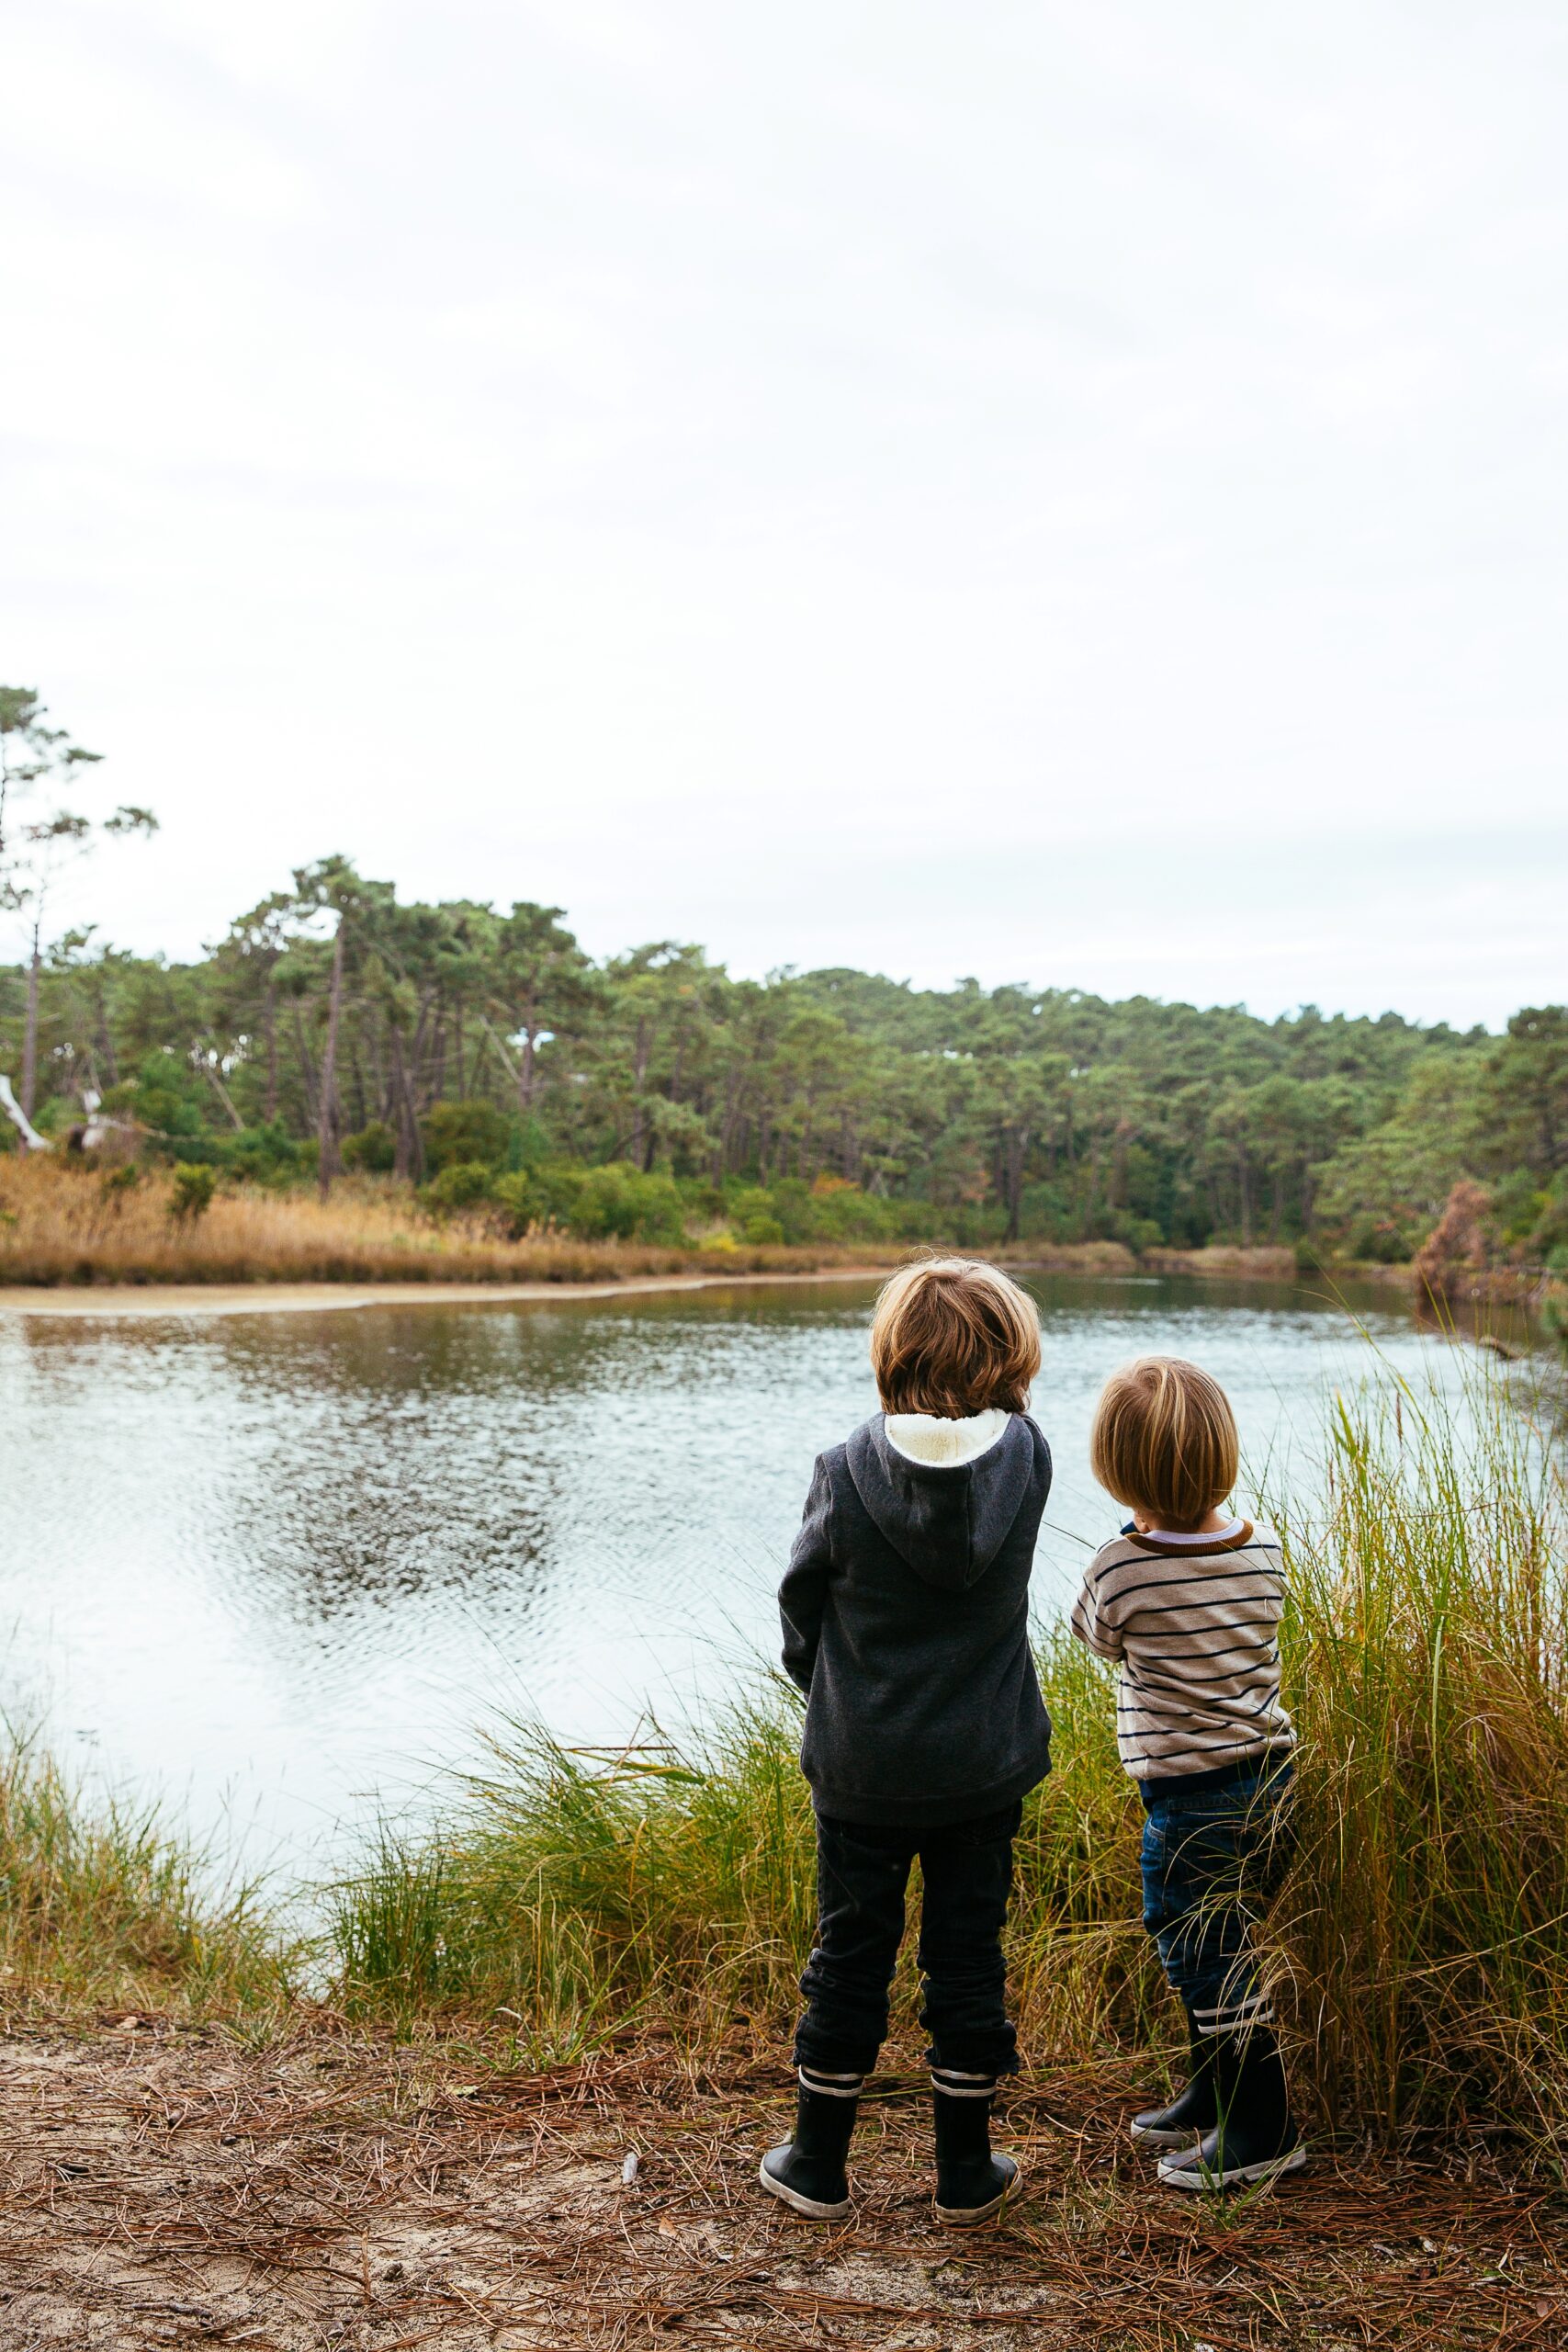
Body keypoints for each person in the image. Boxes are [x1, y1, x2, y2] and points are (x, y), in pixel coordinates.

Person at [761, 1257, 1052, 2228]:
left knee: (849, 1953)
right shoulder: (1031, 1458)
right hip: (985, 1761)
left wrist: (829, 1693)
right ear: (1010, 1354)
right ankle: (964, 2171)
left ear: (891, 1353)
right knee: (968, 1957)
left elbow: (801, 1602)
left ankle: (817, 2161)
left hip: (863, 1768)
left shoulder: (844, 1470)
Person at [1071, 1354, 1304, 2191]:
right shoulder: (1266, 1550)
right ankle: (1214, 2093)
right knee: (1215, 1940)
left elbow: (1094, 1638)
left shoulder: (1120, 1566)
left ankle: (1261, 2127)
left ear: (1113, 1469)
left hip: (1191, 1795)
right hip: (1270, 1777)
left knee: (1204, 1952)